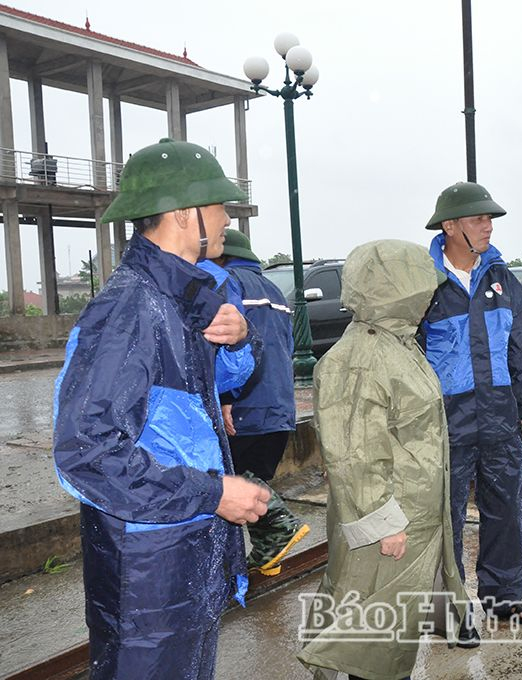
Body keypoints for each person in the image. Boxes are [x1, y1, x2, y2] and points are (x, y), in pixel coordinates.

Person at [52, 138, 270, 679]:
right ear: (183, 214)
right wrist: (213, 492)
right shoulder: (130, 309)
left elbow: (212, 391)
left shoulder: (182, 300)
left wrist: (241, 340)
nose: (227, 217)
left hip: (183, 553)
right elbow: (86, 454)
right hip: (149, 571)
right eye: (219, 205)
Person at [297, 240, 467, 680]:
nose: (431, 295)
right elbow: (355, 454)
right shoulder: (360, 358)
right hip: (392, 526)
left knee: (386, 638)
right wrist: (384, 523)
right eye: (425, 286)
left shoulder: (396, 343)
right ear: (398, 289)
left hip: (410, 518)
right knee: (375, 646)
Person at [420, 181, 522, 643]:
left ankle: (504, 595)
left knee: (506, 507)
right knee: (444, 515)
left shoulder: (502, 279)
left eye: (490, 218)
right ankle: (447, 611)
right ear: (450, 226)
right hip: (444, 419)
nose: (488, 226)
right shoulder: (423, 282)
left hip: (498, 413)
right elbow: (407, 357)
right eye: (478, 218)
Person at [206, 229, 310, 576]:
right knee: (254, 479)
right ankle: (268, 558)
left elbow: (221, 347)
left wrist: (223, 397)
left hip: (243, 405)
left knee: (232, 484)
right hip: (280, 406)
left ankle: (279, 528)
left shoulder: (226, 283)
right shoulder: (276, 291)